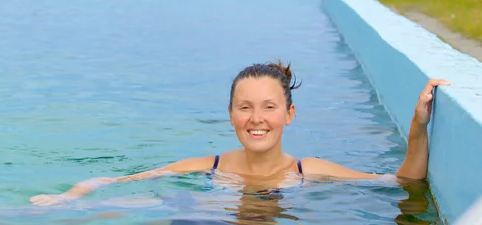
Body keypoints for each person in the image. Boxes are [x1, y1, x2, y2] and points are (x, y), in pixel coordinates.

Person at [30, 60, 450, 207]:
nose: (257, 118)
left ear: (289, 114)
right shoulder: (206, 166)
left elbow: (402, 182)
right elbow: (116, 182)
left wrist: (417, 125)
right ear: (230, 115)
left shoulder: (309, 171)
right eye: (244, 108)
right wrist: (66, 198)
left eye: (269, 107)